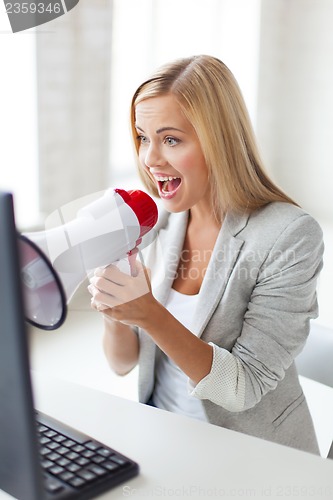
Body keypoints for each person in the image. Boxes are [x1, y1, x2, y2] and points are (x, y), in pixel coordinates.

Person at [88, 55, 324, 453]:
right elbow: (122, 363)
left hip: (251, 456)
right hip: (162, 441)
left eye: (171, 139)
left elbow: (244, 386)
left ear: (220, 140)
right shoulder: (157, 222)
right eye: (143, 137)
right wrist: (116, 312)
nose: (149, 159)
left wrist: (148, 313)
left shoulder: (290, 235)